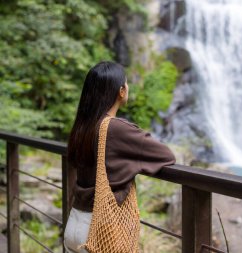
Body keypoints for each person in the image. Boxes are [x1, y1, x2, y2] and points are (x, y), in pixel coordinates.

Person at [63, 61, 176, 253]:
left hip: (75, 223)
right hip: (100, 229)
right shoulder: (116, 128)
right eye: (127, 84)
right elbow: (165, 155)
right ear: (121, 91)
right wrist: (130, 166)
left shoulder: (82, 127)